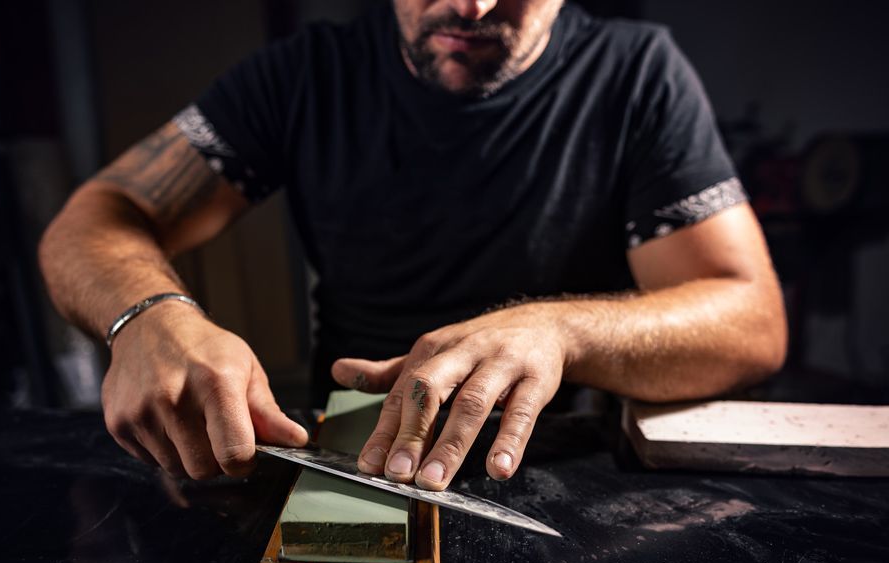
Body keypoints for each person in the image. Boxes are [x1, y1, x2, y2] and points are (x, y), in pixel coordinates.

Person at [39, 0, 786, 492]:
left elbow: (751, 318)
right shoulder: (305, 75)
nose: (471, 5)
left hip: (552, 459)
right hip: (342, 445)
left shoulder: (635, 75)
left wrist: (559, 328)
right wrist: (147, 314)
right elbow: (97, 215)